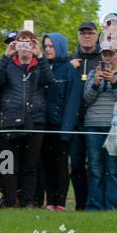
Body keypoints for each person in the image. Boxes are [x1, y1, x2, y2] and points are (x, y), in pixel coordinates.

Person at [0, 30, 51, 207]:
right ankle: (10, 200)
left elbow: (48, 80)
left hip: (35, 119)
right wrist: (6, 55)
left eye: (28, 42)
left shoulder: (39, 65)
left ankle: (28, 201)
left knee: (30, 165)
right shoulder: (8, 64)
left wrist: (40, 55)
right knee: (8, 164)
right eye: (21, 42)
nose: (24, 46)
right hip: (10, 119)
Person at [81, 36, 117, 210]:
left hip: (115, 126)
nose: (107, 58)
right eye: (104, 55)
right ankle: (95, 206)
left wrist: (113, 81)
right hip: (93, 124)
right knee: (95, 168)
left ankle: (114, 206)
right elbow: (87, 99)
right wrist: (96, 81)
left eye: (111, 54)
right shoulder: (92, 74)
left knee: (114, 168)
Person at [41, 31, 79, 209]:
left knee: (61, 165)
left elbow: (72, 102)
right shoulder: (42, 67)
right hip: (43, 125)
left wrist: (66, 130)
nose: (48, 50)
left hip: (61, 125)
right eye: (46, 46)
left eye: (51, 46)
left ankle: (60, 202)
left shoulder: (69, 70)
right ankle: (49, 202)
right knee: (46, 165)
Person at [68, 21, 102, 208]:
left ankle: (95, 203)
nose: (86, 36)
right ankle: (81, 204)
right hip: (74, 121)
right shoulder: (71, 60)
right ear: (78, 36)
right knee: (77, 165)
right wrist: (68, 68)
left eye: (90, 33)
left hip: (95, 119)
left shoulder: (101, 59)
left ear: (97, 36)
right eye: (83, 33)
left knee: (96, 166)